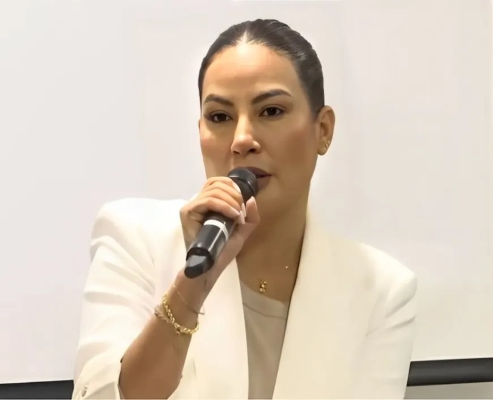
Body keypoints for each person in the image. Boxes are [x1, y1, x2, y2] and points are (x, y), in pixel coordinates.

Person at [72, 19, 417, 400]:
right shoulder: (134, 237)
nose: (242, 140)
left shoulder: (380, 290)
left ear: (323, 130)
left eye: (271, 111)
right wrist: (193, 283)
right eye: (220, 117)